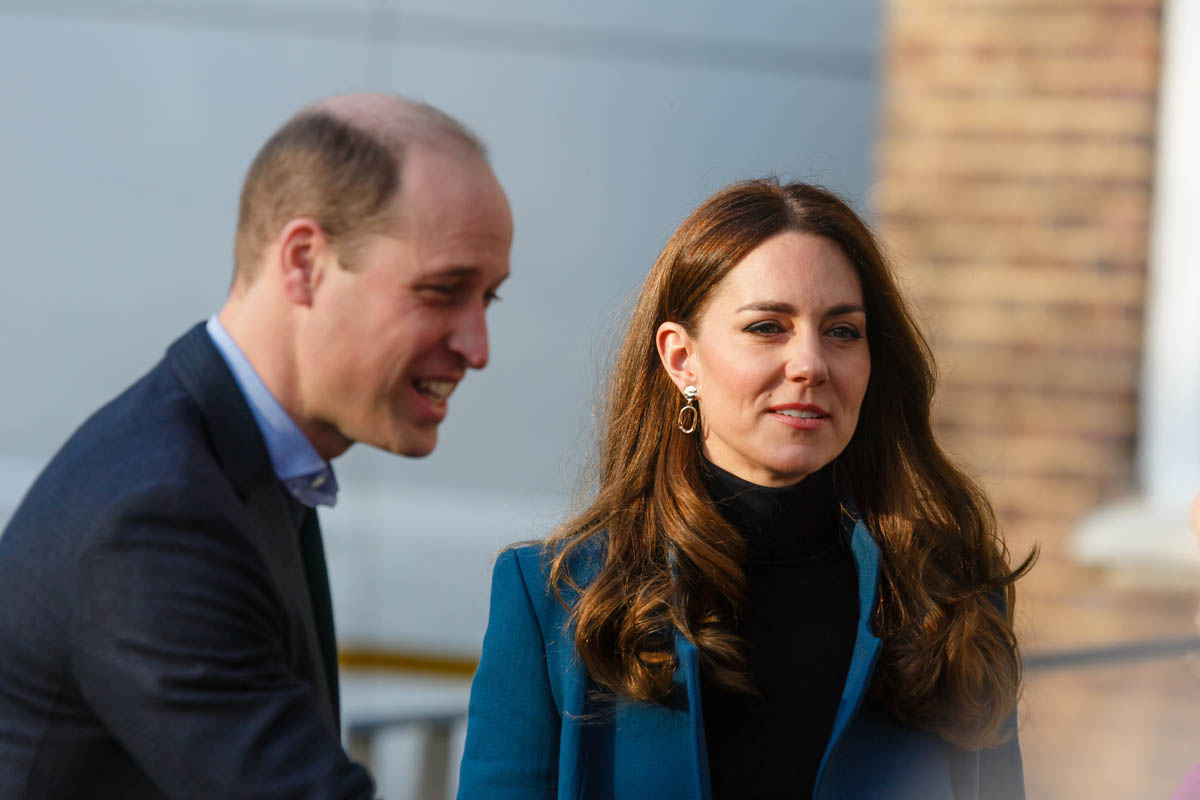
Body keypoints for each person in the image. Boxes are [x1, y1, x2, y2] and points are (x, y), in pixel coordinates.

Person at [0, 93, 512, 798]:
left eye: (488, 298)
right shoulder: (159, 517)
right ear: (303, 262)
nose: (478, 348)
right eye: (443, 290)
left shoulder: (234, 463)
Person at [458, 179, 1033, 799]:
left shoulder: (947, 598)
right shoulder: (560, 601)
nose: (810, 363)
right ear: (682, 360)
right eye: (767, 327)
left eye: (842, 331)